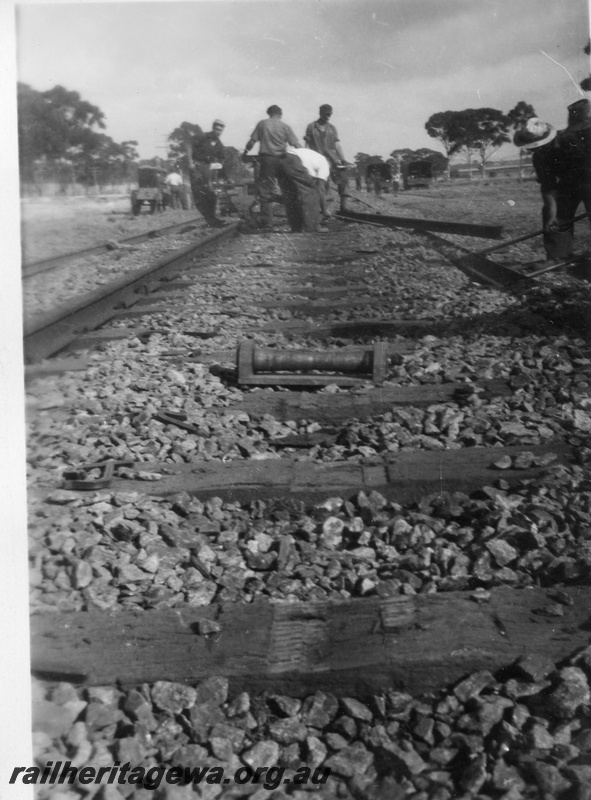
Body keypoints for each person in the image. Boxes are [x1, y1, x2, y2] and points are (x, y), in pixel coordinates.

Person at [514, 104, 591, 264]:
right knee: (555, 214)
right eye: (531, 148)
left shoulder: (573, 140)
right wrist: (552, 215)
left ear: (548, 138)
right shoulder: (539, 157)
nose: (534, 150)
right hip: (569, 183)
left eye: (538, 146)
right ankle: (558, 257)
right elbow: (548, 187)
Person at [243, 105, 301, 230]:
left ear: (269, 113)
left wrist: (244, 153)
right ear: (280, 114)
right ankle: (295, 223)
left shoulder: (262, 124)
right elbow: (296, 144)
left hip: (268, 160)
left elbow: (252, 141)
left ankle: (267, 223)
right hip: (284, 160)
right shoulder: (285, 126)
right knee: (288, 190)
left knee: (265, 191)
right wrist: (304, 155)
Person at [304, 104, 351, 212]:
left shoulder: (332, 128)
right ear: (320, 113)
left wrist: (343, 159)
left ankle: (344, 206)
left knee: (343, 176)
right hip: (317, 159)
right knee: (324, 183)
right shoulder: (311, 127)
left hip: (332, 159)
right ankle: (324, 209)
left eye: (329, 114)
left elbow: (337, 145)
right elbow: (307, 144)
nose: (328, 117)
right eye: (326, 114)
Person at [189, 119, 227, 227]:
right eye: (217, 129)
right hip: (198, 166)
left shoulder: (219, 144)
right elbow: (190, 144)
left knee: (212, 194)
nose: (218, 132)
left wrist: (218, 165)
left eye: (220, 130)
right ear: (213, 128)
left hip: (209, 169)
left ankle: (212, 219)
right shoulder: (203, 137)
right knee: (199, 194)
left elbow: (222, 158)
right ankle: (210, 218)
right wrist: (191, 162)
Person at [285, 145, 330, 222]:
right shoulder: (325, 164)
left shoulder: (315, 158)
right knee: (308, 193)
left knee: (290, 193)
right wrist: (324, 209)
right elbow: (320, 187)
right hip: (294, 160)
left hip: (283, 156)